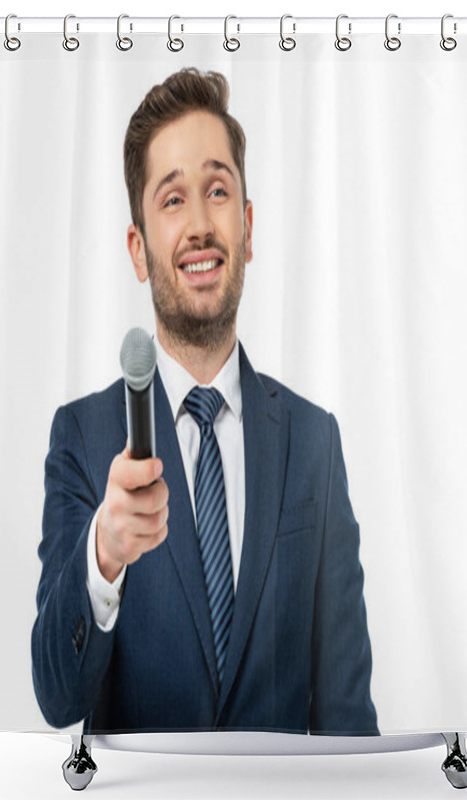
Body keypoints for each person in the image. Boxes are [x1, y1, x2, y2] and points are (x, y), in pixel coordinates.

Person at [31, 68, 377, 736]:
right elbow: (56, 695)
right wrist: (103, 554)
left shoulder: (314, 440)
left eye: (217, 191)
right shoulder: (82, 434)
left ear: (247, 226)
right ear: (138, 249)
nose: (198, 224)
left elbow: (346, 714)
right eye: (171, 200)